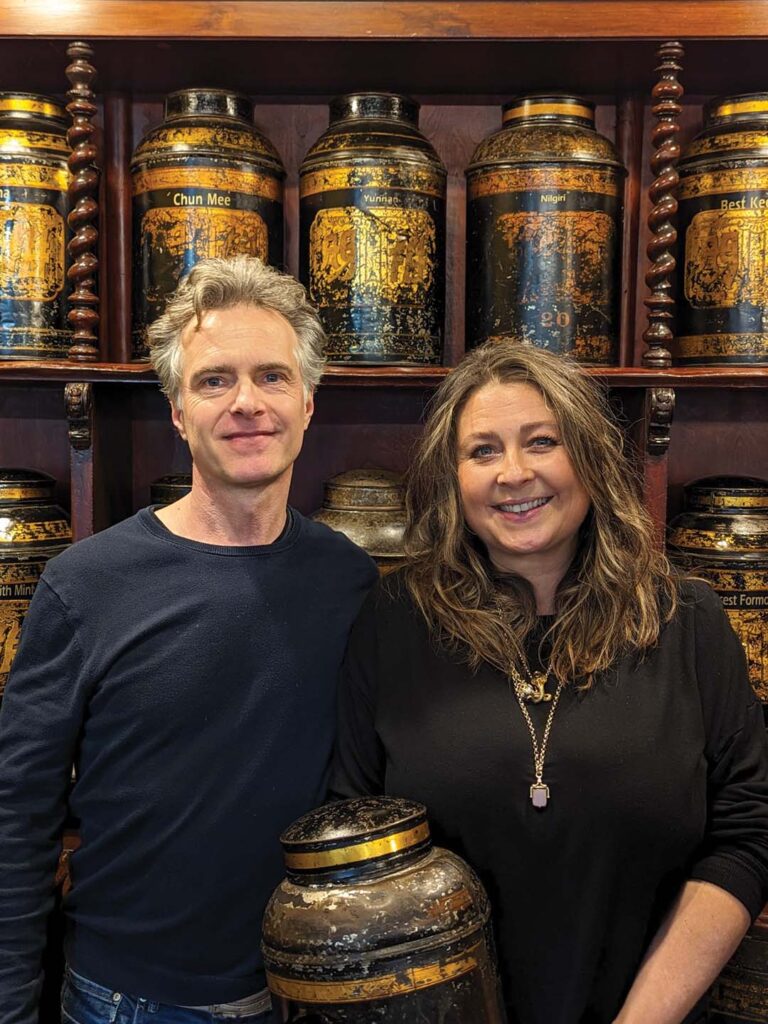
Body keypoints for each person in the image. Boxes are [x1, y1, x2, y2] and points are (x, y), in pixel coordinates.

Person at [331, 340, 768, 1024]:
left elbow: (747, 834)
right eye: (482, 451)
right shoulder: (393, 623)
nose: (514, 473)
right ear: (454, 479)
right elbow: (352, 844)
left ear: (591, 461)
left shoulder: (687, 620)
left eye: (543, 442)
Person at [0, 256, 377, 1023]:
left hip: (308, 994)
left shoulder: (350, 580)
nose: (247, 403)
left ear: (308, 402)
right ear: (177, 409)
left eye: (272, 377)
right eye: (214, 380)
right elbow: (18, 814)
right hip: (127, 1001)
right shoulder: (85, 584)